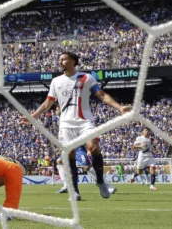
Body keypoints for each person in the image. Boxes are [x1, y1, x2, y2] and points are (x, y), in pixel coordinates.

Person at [27, 52, 131, 200]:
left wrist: (119, 107)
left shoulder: (86, 77)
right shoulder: (56, 81)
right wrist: (33, 116)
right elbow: (47, 103)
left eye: (64, 59)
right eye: (59, 59)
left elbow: (101, 95)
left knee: (93, 148)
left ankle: (100, 181)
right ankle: (75, 191)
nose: (60, 62)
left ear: (73, 61)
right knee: (69, 155)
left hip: (84, 121)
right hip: (66, 124)